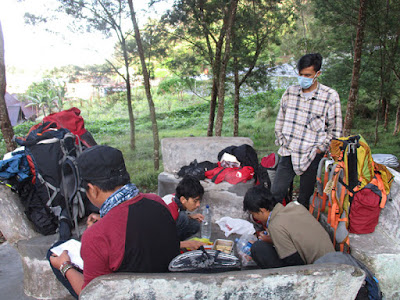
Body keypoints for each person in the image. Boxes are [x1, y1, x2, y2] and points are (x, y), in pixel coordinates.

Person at [48, 145, 180, 299]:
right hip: (165, 289)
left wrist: (65, 266)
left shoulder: (96, 236)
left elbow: (92, 295)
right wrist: (105, 222)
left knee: (54, 252)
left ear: (92, 189)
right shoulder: (157, 202)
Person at [273, 53, 342, 209]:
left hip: (312, 153)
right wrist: (282, 140)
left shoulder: (329, 97)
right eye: (301, 74)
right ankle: (274, 226)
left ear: (318, 74)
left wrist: (320, 149)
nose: (303, 78)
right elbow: (280, 119)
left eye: (308, 75)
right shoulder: (290, 92)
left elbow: (336, 131)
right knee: (276, 192)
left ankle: (299, 226)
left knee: (305, 197)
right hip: (289, 150)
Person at [243, 185, 334, 269]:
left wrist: (275, 241)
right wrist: (274, 240)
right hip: (332, 258)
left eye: (253, 214)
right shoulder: (295, 206)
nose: (254, 218)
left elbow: (294, 264)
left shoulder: (275, 225)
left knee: (258, 248)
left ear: (262, 211)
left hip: (320, 269)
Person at [162, 175, 207, 250]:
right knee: (183, 217)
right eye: (195, 201)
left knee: (195, 225)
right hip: (154, 240)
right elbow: (158, 240)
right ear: (183, 199)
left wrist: (190, 216)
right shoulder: (169, 209)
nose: (198, 205)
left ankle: (177, 243)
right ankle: (174, 247)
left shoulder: (176, 199)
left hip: (167, 231)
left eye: (199, 201)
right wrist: (187, 244)